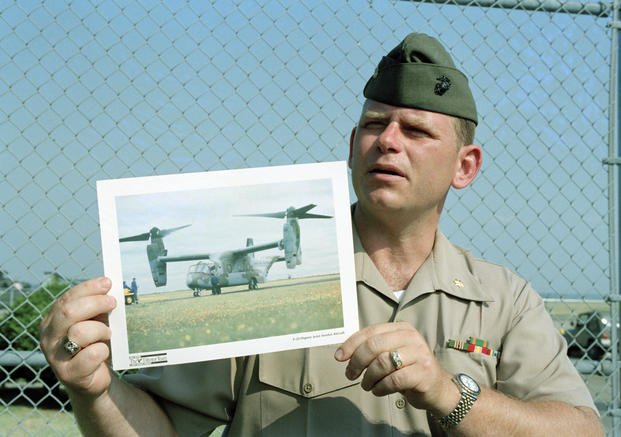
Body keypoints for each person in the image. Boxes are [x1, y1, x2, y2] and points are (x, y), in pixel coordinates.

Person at [39, 32, 603, 436]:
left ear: (466, 166)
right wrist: (95, 391)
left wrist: (446, 394)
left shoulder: (502, 300)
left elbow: (578, 429)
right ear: (352, 143)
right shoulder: (278, 279)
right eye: (376, 124)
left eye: (417, 131)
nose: (389, 142)